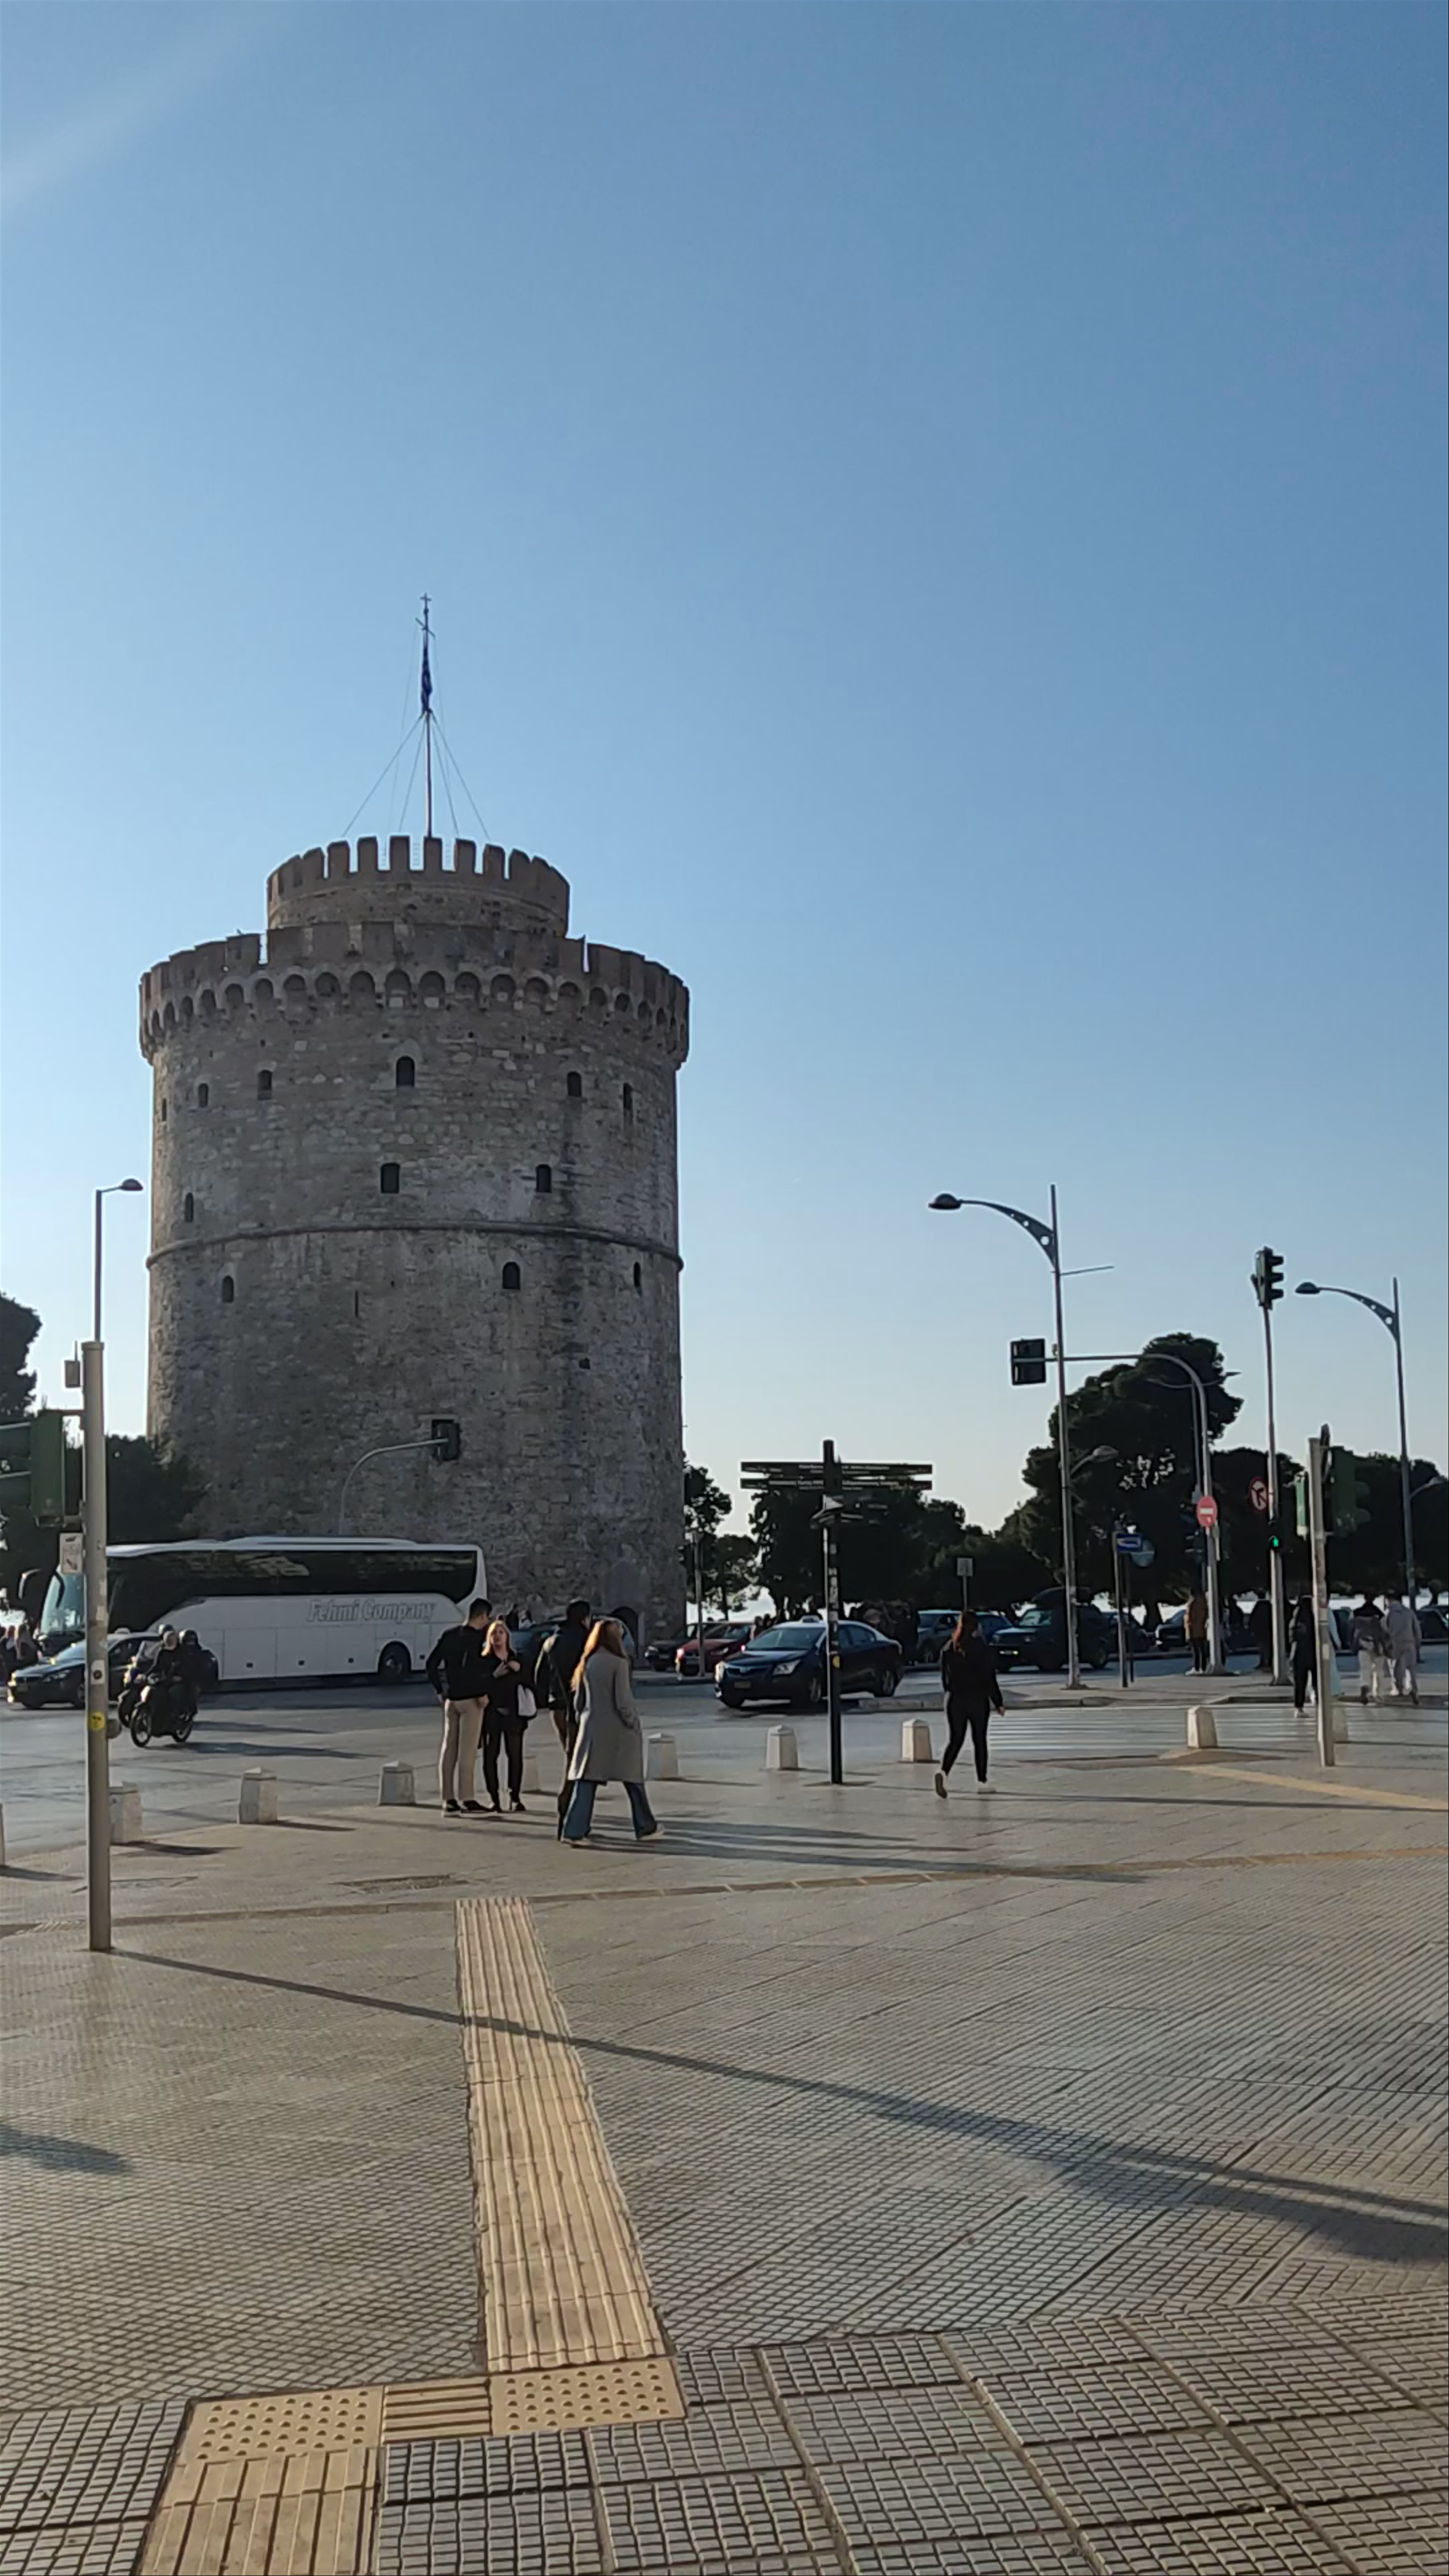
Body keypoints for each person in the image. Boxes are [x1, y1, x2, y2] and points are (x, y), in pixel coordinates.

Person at [560, 1618, 658, 1845]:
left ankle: (575, 1829)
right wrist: (633, 1721)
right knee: (633, 1780)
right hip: (618, 1732)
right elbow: (623, 1701)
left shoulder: (588, 1661)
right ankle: (645, 1826)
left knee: (587, 1781)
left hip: (591, 1728)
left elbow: (578, 1702)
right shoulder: (619, 1663)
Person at [425, 1597, 492, 1814]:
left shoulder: (450, 1635)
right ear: (482, 1616)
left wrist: (440, 1690)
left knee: (449, 1749)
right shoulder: (478, 1639)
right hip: (471, 1699)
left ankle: (448, 1799)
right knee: (468, 1751)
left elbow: (432, 1664)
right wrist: (482, 1692)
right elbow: (473, 1668)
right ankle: (468, 1798)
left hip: (452, 1699)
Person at [935, 1609, 1005, 1798]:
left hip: (954, 1699)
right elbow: (988, 1677)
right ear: (976, 1627)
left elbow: (945, 1679)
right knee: (979, 1740)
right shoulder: (980, 1648)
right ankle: (982, 1782)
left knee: (955, 1740)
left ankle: (943, 1772)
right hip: (977, 1699)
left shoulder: (949, 1648)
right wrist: (998, 1702)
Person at [537, 1599, 591, 1832]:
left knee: (571, 1758)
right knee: (576, 1763)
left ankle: (571, 1816)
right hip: (580, 1708)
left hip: (557, 1707)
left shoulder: (550, 1642)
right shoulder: (586, 1641)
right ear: (584, 1618)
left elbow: (539, 1675)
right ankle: (567, 1816)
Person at [480, 1617, 528, 1813]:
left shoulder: (516, 1659)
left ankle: (515, 1796)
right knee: (491, 1756)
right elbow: (479, 1685)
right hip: (492, 1714)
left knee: (515, 1756)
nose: (497, 1637)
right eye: (494, 1634)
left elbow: (530, 1684)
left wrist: (520, 1672)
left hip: (515, 1715)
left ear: (508, 1637)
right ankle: (494, 1798)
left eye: (501, 1633)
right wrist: (494, 1676)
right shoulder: (484, 1662)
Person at [1384, 1592, 1422, 1705]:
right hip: (1410, 1642)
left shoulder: (1390, 1614)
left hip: (1396, 1643)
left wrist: (1387, 1644)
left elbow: (1387, 1630)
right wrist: (1418, 1642)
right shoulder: (1409, 1612)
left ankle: (1400, 1688)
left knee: (1397, 1667)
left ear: (1389, 1600)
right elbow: (1417, 1628)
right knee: (1411, 1668)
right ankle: (1414, 1689)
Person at [1351, 1598, 1390, 1704]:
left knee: (1365, 1669)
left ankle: (1365, 1687)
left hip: (1362, 1644)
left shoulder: (1356, 1613)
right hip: (1377, 1645)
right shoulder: (1379, 1614)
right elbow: (1386, 1630)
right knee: (1379, 1670)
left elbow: (1351, 1629)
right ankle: (1379, 1695)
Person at [1290, 1595, 1317, 1712]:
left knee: (1300, 1683)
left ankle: (1299, 1708)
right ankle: (1318, 1703)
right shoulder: (1314, 1617)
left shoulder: (1296, 1618)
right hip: (1314, 1654)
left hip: (1299, 1654)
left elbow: (1292, 1637)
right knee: (1317, 1682)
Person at [1184, 1591, 1210, 1675]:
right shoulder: (1203, 1603)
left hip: (1195, 1630)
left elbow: (1190, 1617)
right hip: (1202, 1629)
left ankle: (1197, 1667)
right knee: (1202, 1649)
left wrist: (1190, 1628)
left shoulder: (1193, 1603)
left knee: (1196, 1650)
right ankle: (1203, 1668)